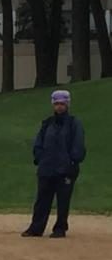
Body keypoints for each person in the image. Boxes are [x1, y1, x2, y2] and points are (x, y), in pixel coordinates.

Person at [22, 89, 85, 238]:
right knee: (42, 200)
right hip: (47, 168)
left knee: (63, 201)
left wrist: (73, 161)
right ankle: (36, 228)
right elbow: (39, 143)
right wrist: (39, 158)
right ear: (53, 105)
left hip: (65, 169)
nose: (59, 106)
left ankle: (60, 228)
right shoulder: (47, 123)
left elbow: (78, 144)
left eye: (62, 103)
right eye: (56, 103)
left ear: (67, 104)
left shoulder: (74, 123)